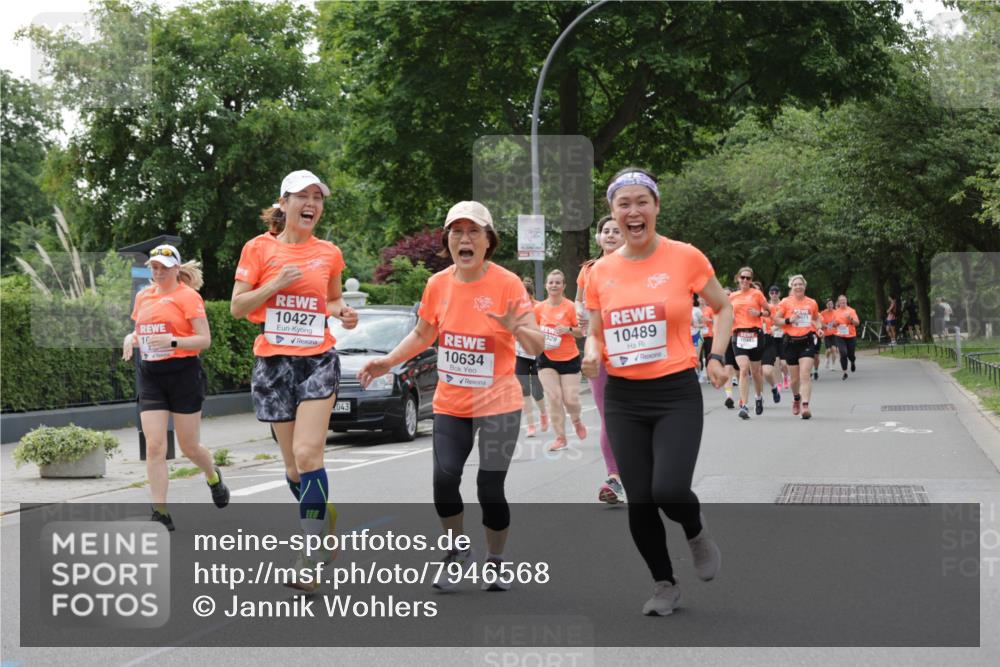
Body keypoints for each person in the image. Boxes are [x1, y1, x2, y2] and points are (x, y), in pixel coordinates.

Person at [359, 201, 544, 592]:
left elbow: (537, 341)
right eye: (457, 231)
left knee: (489, 489)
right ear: (448, 240)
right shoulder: (438, 284)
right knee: (444, 481)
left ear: (488, 240)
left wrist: (518, 329)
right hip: (452, 403)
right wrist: (386, 361)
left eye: (474, 231)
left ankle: (495, 560)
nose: (465, 238)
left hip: (499, 403)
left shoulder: (507, 284)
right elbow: (424, 334)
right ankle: (458, 552)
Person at [582, 167, 732, 616]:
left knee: (668, 488)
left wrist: (718, 356)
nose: (633, 211)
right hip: (624, 397)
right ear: (612, 213)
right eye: (623, 204)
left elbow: (722, 307)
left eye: (641, 202)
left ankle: (695, 530)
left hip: (675, 392)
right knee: (639, 497)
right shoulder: (599, 272)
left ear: (656, 207)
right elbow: (595, 330)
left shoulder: (685, 257)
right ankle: (664, 583)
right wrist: (591, 353)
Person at [230, 170, 358, 588]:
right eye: (302, 196)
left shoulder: (329, 253)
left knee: (307, 455)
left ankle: (310, 558)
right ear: (282, 204)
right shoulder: (258, 249)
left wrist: (342, 312)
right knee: (293, 467)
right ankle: (325, 518)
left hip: (318, 359)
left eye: (317, 197)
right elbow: (236, 307)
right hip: (273, 362)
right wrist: (274, 285)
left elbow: (333, 297)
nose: (312, 203)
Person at [123, 244, 228, 531]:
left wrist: (172, 342)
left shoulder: (188, 297)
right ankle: (160, 512)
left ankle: (212, 474)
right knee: (155, 446)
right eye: (154, 267)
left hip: (183, 374)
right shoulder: (143, 297)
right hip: (151, 375)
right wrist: (130, 338)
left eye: (163, 267)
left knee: (189, 446)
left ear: (175, 269)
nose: (157, 272)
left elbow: (204, 339)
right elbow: (141, 330)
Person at [576, 215, 627, 504]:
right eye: (605, 231)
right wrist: (582, 316)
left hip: (633, 352)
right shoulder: (589, 270)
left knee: (636, 415)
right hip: (599, 351)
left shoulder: (636, 266)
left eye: (616, 231)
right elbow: (579, 301)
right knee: (608, 414)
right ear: (598, 238)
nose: (610, 235)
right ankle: (614, 478)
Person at [535, 269, 585, 452]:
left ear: (563, 286)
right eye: (551, 282)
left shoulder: (571, 307)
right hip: (546, 358)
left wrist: (568, 330)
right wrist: (537, 336)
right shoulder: (539, 308)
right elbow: (530, 331)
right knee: (554, 398)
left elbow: (582, 331)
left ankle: (576, 420)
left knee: (570, 400)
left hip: (569, 358)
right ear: (546, 285)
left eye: (558, 282)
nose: (554, 285)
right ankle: (560, 438)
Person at [774, 275, 823, 420]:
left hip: (807, 341)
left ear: (804, 286)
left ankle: (805, 405)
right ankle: (796, 398)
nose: (798, 286)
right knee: (794, 380)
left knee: (805, 375)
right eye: (795, 284)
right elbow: (776, 320)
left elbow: (816, 318)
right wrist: (789, 320)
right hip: (790, 343)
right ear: (791, 287)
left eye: (800, 284)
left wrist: (819, 328)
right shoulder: (785, 302)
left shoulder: (811, 302)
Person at [728, 266, 769, 419]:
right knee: (744, 369)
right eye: (743, 277)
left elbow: (768, 312)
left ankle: (759, 397)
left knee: (756, 372)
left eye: (748, 278)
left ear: (751, 280)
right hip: (738, 335)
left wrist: (759, 313)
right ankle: (744, 405)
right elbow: (726, 312)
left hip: (755, 335)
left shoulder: (757, 294)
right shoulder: (732, 296)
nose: (745, 280)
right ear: (738, 278)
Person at [517, 275, 548, 437]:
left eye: (525, 294)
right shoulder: (514, 309)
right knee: (524, 390)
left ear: (530, 295)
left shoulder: (539, 307)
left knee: (537, 390)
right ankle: (530, 425)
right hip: (519, 353)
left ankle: (543, 413)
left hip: (536, 353)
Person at [760, 285, 786, 404]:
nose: (774, 294)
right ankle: (778, 383)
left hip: (783, 335)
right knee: (775, 361)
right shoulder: (766, 306)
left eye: (776, 292)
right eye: (772, 292)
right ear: (769, 294)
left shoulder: (782, 305)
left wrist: (776, 327)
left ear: (779, 294)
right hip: (771, 337)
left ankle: (786, 377)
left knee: (783, 363)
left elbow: (783, 321)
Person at [834, 295, 860, 380]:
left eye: (844, 301)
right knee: (843, 353)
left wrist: (850, 318)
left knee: (850, 354)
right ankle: (844, 372)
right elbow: (832, 325)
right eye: (841, 302)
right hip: (840, 335)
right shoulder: (836, 312)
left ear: (846, 301)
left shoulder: (851, 311)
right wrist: (835, 323)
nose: (843, 303)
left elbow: (857, 323)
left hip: (851, 335)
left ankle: (852, 361)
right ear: (838, 302)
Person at [820, 299, 839, 371]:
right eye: (828, 304)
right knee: (828, 350)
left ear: (833, 304)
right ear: (826, 305)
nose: (830, 305)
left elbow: (838, 321)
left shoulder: (836, 312)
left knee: (834, 349)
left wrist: (835, 323)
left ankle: (832, 365)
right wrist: (826, 326)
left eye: (831, 304)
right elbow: (821, 323)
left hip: (834, 333)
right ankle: (827, 359)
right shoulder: (823, 313)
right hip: (827, 334)